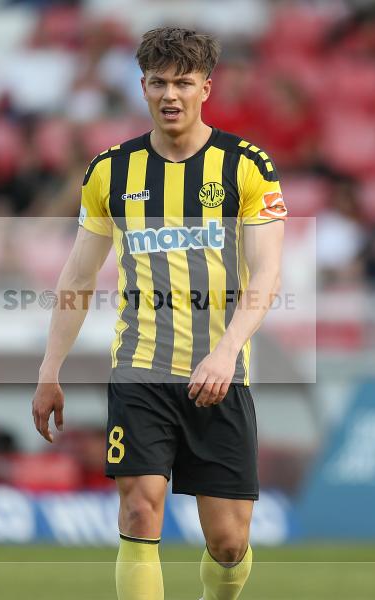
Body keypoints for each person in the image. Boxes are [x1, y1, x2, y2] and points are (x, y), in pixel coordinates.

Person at [31, 27, 286, 600]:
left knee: (228, 543)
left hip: (221, 377)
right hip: (139, 371)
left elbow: (267, 276)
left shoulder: (246, 167)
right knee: (140, 509)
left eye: (184, 82)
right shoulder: (111, 171)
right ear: (143, 86)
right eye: (159, 82)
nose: (171, 94)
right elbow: (76, 277)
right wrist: (51, 369)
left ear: (206, 89)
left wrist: (224, 352)